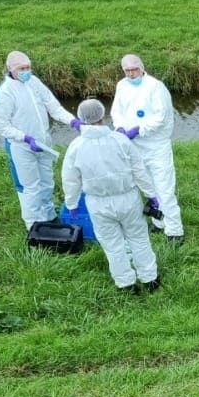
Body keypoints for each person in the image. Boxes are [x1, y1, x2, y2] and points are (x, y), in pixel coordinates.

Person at [62, 99, 162, 295]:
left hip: (98, 203)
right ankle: (150, 279)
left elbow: (70, 180)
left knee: (112, 245)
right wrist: (151, 195)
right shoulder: (120, 140)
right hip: (128, 198)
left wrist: (72, 204)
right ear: (102, 115)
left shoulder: (76, 147)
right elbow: (139, 171)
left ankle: (126, 284)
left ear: (81, 118)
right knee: (139, 239)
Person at [0, 51, 78, 230]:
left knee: (47, 181)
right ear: (10, 69)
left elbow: (53, 107)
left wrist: (73, 121)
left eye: (28, 67)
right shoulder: (5, 92)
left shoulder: (34, 82)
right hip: (21, 146)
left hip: (43, 142)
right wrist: (25, 138)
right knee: (30, 186)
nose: (26, 71)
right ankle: (33, 224)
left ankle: (48, 216)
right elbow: (2, 126)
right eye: (21, 69)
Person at [110, 53, 184, 245]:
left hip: (156, 145)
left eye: (134, 69)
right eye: (127, 70)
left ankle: (175, 231)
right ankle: (159, 222)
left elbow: (161, 117)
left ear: (142, 68)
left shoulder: (155, 87)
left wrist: (139, 129)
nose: (131, 74)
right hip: (134, 145)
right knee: (148, 186)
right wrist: (120, 127)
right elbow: (117, 111)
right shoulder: (122, 85)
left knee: (164, 187)